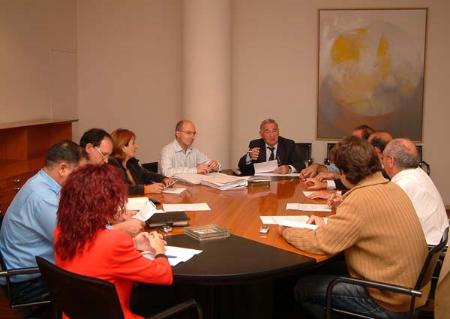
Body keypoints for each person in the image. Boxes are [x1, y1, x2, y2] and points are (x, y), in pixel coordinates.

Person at [281, 137, 429, 318]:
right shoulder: (391, 187)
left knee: (302, 288)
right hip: (410, 291)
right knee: (321, 269)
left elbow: (320, 243)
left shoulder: (361, 199)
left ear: (344, 173)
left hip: (390, 299)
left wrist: (285, 229)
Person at [54, 164, 173, 319]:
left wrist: (134, 243)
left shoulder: (61, 232)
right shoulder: (114, 242)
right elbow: (164, 276)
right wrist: (159, 250)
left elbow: (94, 257)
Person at [0, 141, 84, 314]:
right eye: (78, 173)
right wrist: (116, 231)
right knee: (98, 284)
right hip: (28, 281)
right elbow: (73, 242)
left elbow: (74, 217)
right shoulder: (41, 196)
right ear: (63, 169)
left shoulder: (45, 183)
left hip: (34, 268)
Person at [383, 138, 448, 245]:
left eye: (383, 158)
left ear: (391, 161)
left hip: (428, 248)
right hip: (439, 242)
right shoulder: (419, 173)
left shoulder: (402, 185)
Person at [80, 128, 144, 236]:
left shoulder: (93, 175)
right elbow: (82, 232)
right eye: (103, 154)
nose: (106, 161)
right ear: (89, 148)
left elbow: (94, 216)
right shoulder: (76, 182)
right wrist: (117, 228)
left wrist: (112, 217)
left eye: (108, 156)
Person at [109, 129, 175, 195]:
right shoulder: (112, 164)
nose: (136, 146)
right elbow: (121, 188)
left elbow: (146, 174)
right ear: (123, 147)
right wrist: (147, 189)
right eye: (133, 143)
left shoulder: (131, 163)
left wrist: (164, 179)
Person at [299, 124, 375, 179]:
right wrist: (316, 167)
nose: (351, 143)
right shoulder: (349, 157)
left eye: (355, 140)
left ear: (368, 143)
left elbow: (360, 181)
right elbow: (332, 169)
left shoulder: (374, 162)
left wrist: (336, 176)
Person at [238, 119, 305, 176]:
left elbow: (301, 165)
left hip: (282, 184)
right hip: (261, 186)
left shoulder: (288, 144)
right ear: (261, 134)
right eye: (267, 132)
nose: (272, 135)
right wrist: (249, 156)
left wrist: (289, 169)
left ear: (278, 132)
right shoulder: (255, 144)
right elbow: (242, 167)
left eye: (274, 131)